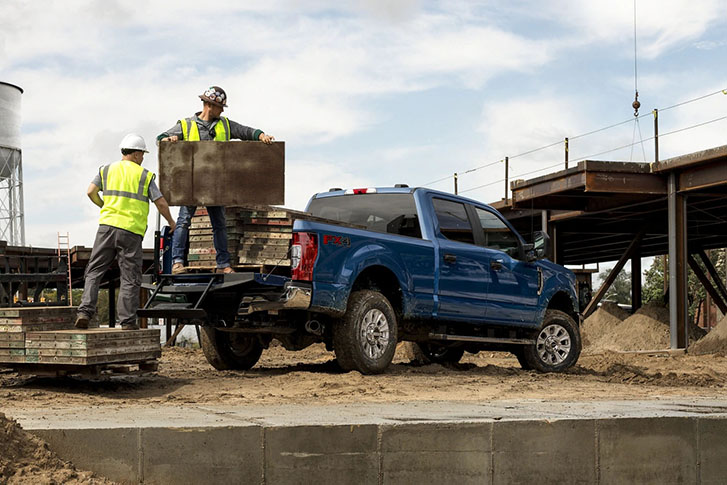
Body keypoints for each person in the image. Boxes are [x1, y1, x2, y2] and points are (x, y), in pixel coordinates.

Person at [157, 86, 275, 275]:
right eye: (221, 107)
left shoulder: (225, 125)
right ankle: (178, 262)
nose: (222, 110)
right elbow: (160, 138)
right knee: (184, 221)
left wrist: (261, 135)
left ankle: (223, 265)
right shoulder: (186, 125)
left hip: (216, 185)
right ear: (210, 105)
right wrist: (167, 140)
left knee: (219, 224)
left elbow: (245, 131)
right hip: (192, 184)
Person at [75, 134, 177, 330]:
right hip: (131, 231)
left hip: (106, 227)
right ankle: (128, 322)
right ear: (137, 154)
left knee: (94, 271)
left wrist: (104, 205)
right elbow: (160, 202)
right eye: (143, 154)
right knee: (129, 277)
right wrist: (171, 222)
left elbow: (90, 191)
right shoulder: (144, 175)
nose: (143, 158)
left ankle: (84, 312)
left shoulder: (106, 170)